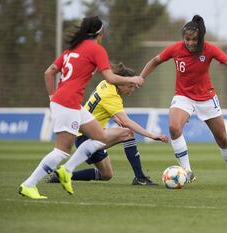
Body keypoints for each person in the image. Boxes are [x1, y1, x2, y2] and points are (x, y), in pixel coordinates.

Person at [19, 16, 144, 199]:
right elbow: (110, 78)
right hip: (68, 103)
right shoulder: (96, 49)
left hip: (67, 102)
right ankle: (28, 184)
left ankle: (67, 170)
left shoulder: (72, 49)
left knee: (100, 137)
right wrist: (132, 79)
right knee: (61, 151)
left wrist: (53, 96)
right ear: (101, 32)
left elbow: (49, 72)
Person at [140, 15, 227, 188]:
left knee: (222, 139)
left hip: (207, 99)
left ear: (201, 38)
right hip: (183, 97)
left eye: (194, 39)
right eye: (187, 39)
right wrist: (141, 77)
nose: (190, 43)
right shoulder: (175, 49)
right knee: (174, 128)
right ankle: (186, 171)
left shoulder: (209, 49)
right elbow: (155, 61)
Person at [45, 63, 168, 185]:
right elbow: (126, 122)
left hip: (85, 134)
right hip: (87, 136)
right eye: (131, 86)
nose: (132, 89)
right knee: (127, 133)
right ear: (120, 83)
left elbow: (99, 104)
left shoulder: (105, 84)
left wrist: (113, 115)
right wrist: (152, 135)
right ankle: (140, 178)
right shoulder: (111, 95)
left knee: (106, 175)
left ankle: (61, 175)